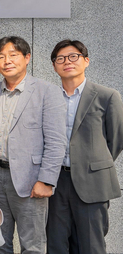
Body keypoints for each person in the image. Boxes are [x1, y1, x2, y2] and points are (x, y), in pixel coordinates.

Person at [0, 36, 66, 254]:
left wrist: (46, 180)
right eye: (1, 57)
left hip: (30, 179)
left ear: (27, 58)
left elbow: (57, 141)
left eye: (13, 55)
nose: (7, 61)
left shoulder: (47, 91)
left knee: (32, 245)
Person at [46, 40, 123, 254]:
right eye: (60, 59)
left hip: (92, 182)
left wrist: (91, 163)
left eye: (73, 56)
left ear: (86, 61)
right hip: (55, 181)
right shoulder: (48, 97)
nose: (67, 62)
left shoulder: (107, 96)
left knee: (91, 245)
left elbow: (115, 140)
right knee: (55, 244)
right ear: (54, 66)